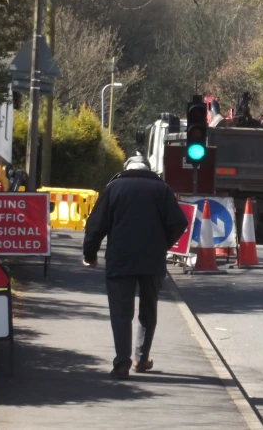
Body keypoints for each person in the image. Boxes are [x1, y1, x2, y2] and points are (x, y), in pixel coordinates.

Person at [83, 155, 187, 380]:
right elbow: (179, 222)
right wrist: (163, 244)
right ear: (148, 170)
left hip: (120, 259)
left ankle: (122, 364)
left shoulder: (114, 188)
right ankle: (141, 358)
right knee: (148, 310)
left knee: (121, 313)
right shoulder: (162, 190)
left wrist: (89, 254)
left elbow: (95, 225)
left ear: (126, 168)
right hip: (152, 259)